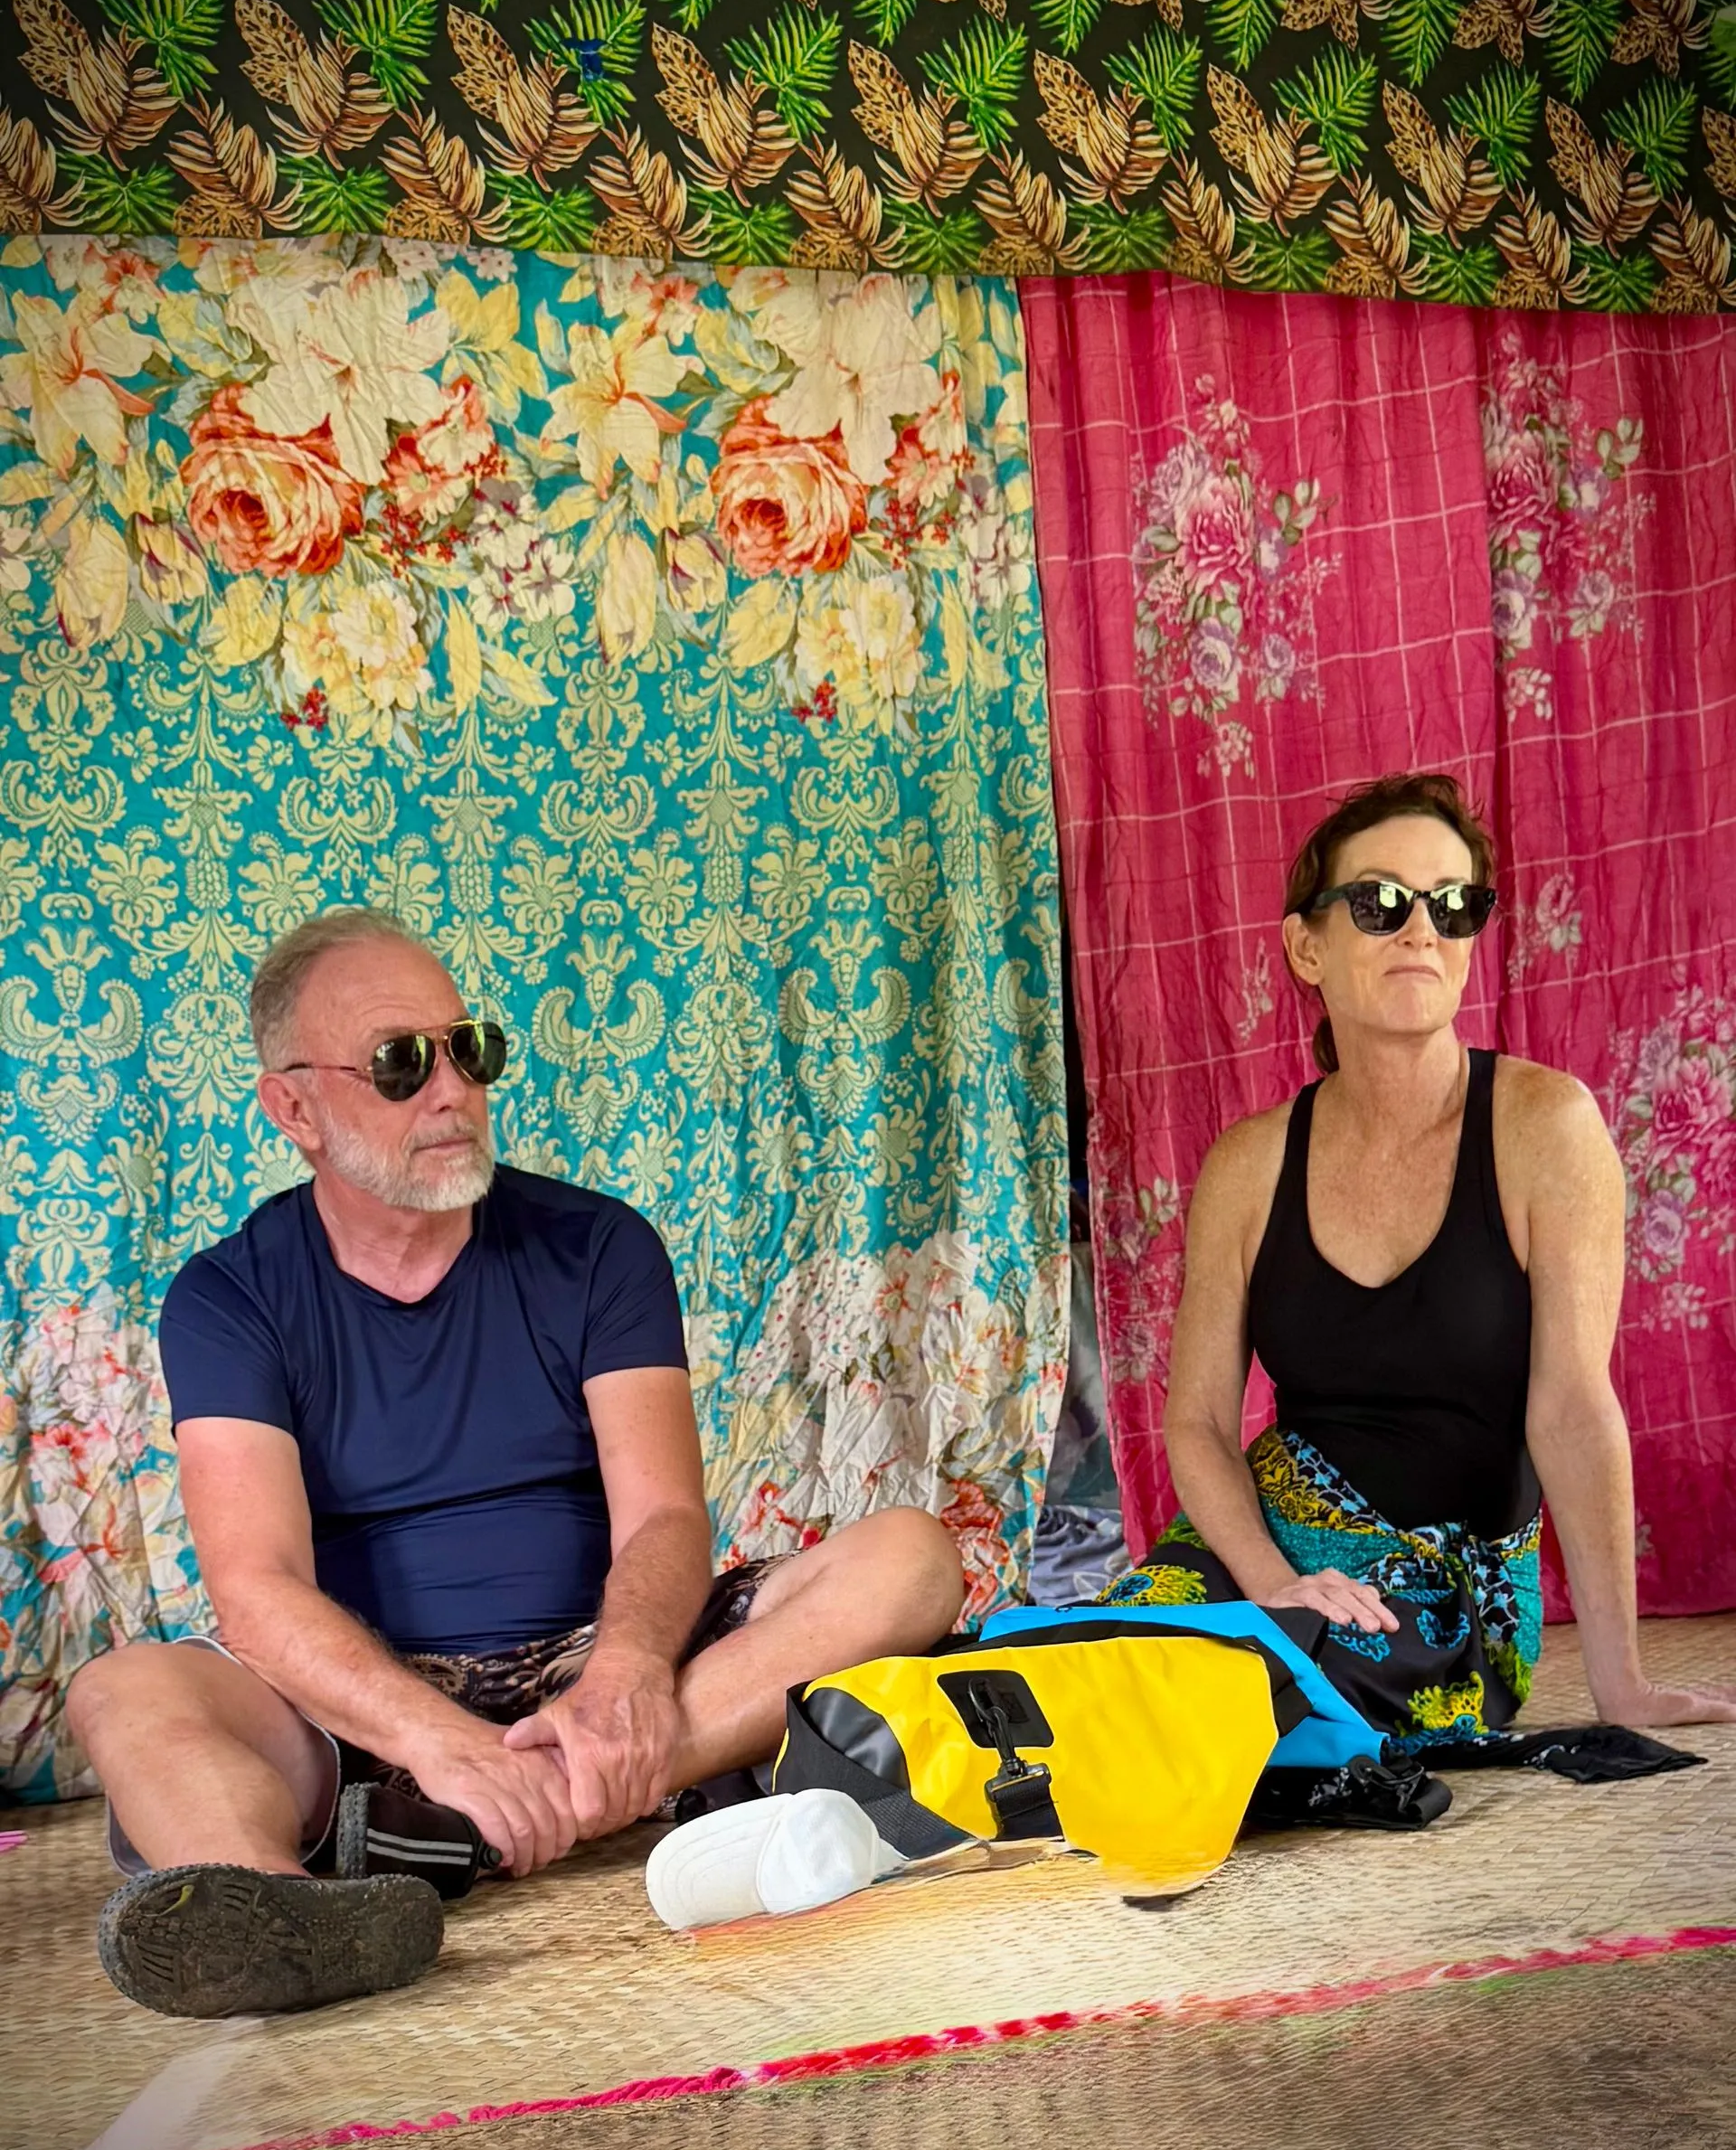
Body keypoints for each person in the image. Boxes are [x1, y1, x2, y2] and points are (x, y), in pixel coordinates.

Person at [69, 910, 965, 2018]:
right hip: (372, 1707)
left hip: (604, 1658)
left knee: (911, 1559)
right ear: (294, 1109)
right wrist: (437, 1742)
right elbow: (256, 1588)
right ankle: (280, 1913)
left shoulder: (599, 1246)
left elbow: (663, 1519)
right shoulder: (229, 1296)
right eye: (401, 1064)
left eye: (470, 1049)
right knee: (122, 1693)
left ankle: (465, 1831)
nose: (452, 1091)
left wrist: (625, 1681)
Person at [1104, 772, 1735, 1748]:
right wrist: (1273, 1586)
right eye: (1380, 901)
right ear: (1307, 946)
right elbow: (1198, 1424)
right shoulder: (1248, 1165)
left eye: (1452, 904)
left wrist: (1622, 1684)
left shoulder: (1545, 1128)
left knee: (1245, 1709)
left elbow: (1572, 1410)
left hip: (1444, 1588)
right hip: (1262, 1552)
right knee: (1104, 1667)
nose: (1421, 930)